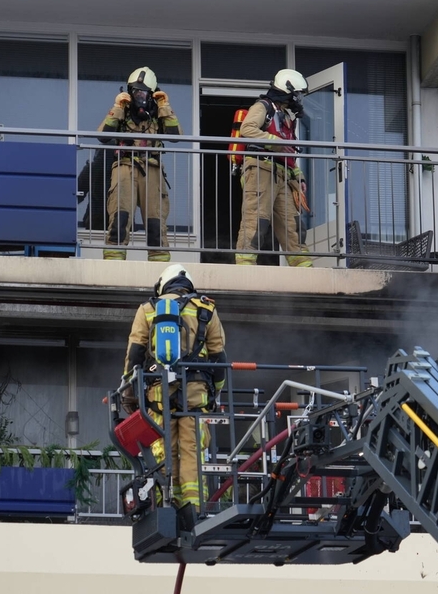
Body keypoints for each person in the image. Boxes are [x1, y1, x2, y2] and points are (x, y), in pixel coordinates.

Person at [121, 264, 227, 514]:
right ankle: (192, 508)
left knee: (162, 447)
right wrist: (215, 393)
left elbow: (135, 355)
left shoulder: (148, 309)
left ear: (162, 285)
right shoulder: (207, 309)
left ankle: (164, 503)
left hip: (159, 395)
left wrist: (128, 391)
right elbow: (219, 359)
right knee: (191, 449)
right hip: (195, 395)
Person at [100, 67, 181, 261]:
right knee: (120, 216)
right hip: (124, 167)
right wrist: (118, 107)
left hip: (152, 169)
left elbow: (175, 136)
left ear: (152, 93)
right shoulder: (122, 110)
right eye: (136, 91)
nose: (139, 95)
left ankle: (158, 263)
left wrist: (164, 106)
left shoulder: (159, 113)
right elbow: (103, 136)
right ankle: (113, 262)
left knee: (156, 221)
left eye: (144, 92)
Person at [234, 68, 312, 268]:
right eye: (297, 94)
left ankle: (304, 269)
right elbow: (247, 128)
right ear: (287, 91)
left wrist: (299, 176)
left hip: (284, 175)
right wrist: (274, 141)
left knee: (293, 225)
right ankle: (245, 267)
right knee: (256, 219)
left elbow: (289, 152)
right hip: (261, 168)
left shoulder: (286, 117)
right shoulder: (263, 106)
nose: (298, 99)